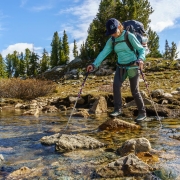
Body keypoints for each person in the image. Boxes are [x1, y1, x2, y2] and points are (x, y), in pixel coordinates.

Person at [86, 18, 146, 122]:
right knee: (116, 86)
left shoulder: (129, 36)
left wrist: (140, 59)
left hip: (133, 66)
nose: (113, 34)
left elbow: (141, 49)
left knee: (134, 91)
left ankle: (142, 113)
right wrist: (94, 64)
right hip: (121, 67)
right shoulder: (112, 40)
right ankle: (118, 109)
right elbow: (103, 53)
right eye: (111, 33)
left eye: (114, 32)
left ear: (119, 27)